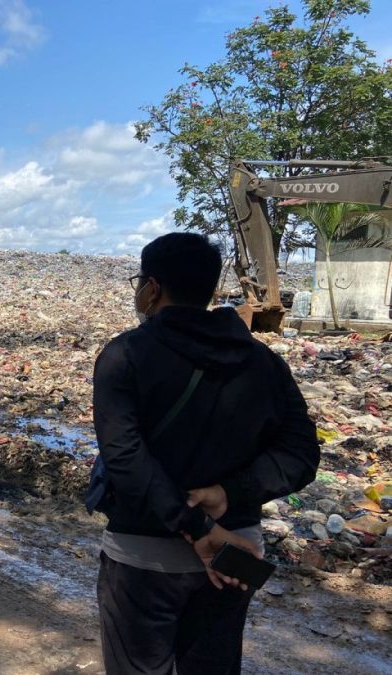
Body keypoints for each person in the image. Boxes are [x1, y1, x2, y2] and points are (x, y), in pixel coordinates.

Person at [92, 232, 319, 674]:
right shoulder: (263, 362)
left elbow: (126, 460)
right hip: (234, 554)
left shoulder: (125, 355)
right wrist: (229, 495)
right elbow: (301, 453)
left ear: (152, 288)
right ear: (211, 288)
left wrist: (198, 528)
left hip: (146, 556)